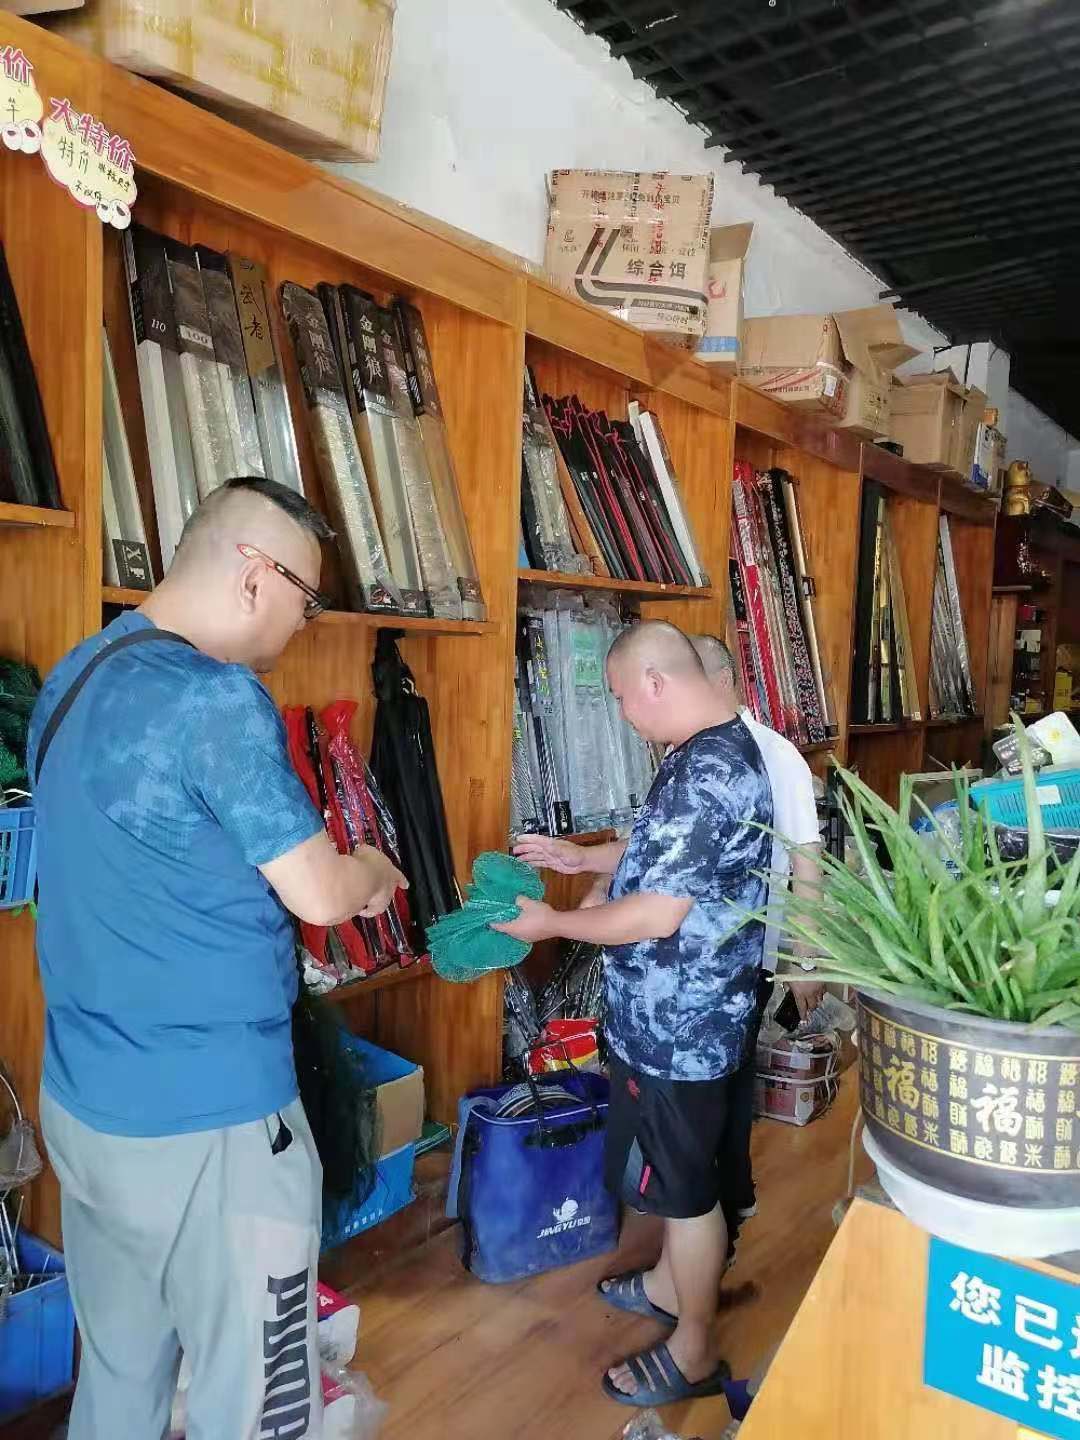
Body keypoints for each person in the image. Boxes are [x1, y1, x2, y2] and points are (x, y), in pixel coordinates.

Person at [29, 477, 406, 1440]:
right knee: (256, 1407)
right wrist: (371, 869)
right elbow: (317, 894)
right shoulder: (215, 699)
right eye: (304, 599)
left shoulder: (73, 678)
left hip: (87, 1106)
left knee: (118, 1382)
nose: (301, 624)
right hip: (216, 1123)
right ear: (253, 573)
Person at [497, 620, 772, 1409]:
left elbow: (656, 911)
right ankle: (666, 1287)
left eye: (620, 696)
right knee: (684, 1178)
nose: (620, 712)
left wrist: (552, 924)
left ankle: (693, 1348)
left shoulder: (703, 770)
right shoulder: (712, 750)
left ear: (655, 682)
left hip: (679, 1029)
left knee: (687, 1195)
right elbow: (669, 855)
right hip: (689, 1017)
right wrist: (582, 859)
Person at [688, 633, 824, 1235]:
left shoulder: (774, 754)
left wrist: (805, 958)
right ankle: (708, 1204)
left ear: (721, 680)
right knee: (709, 1082)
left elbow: (807, 863)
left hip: (747, 951)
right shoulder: (692, 751)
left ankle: (726, 1204)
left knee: (731, 1078)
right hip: (693, 951)